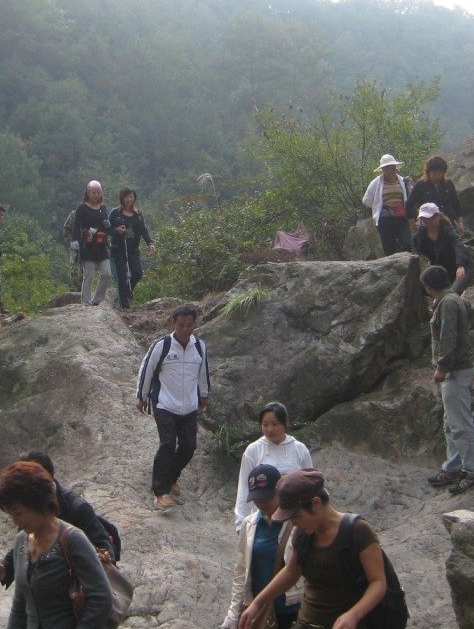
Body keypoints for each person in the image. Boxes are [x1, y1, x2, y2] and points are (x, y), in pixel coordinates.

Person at [238, 469, 387, 629]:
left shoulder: (357, 531)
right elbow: (291, 571)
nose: (294, 523)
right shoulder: (302, 534)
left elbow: (378, 583)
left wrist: (354, 615)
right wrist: (258, 603)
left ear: (315, 503)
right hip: (307, 622)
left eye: (296, 516)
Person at [0, 461, 112, 629]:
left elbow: (102, 599)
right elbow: (20, 605)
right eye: (11, 515)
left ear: (37, 503)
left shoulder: (73, 539)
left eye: (19, 513)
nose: (16, 521)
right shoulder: (22, 541)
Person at [0, 451, 115, 590]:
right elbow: (27, 543)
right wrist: (6, 567)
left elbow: (106, 551)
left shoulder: (77, 509)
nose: (16, 521)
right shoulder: (28, 507)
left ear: (47, 479)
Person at [135, 304, 209, 509]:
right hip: (165, 403)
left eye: (189, 325)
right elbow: (147, 369)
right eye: (181, 325)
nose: (185, 329)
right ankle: (160, 490)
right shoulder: (163, 345)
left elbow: (203, 373)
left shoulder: (200, 347)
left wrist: (204, 396)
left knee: (189, 446)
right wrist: (141, 396)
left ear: (194, 325)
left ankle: (172, 477)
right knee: (167, 444)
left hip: (189, 407)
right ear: (174, 324)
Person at [421, 266, 474, 495]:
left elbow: (447, 336)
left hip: (456, 371)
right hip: (459, 369)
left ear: (429, 286)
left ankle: (471, 472)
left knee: (461, 424)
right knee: (451, 423)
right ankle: (454, 466)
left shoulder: (447, 303)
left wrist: (442, 367)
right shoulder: (453, 299)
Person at [222, 465, 303, 629]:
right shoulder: (249, 524)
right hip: (259, 609)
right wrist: (233, 613)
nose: (261, 503)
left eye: (266, 498)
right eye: (257, 499)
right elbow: (241, 571)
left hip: (294, 609)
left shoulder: (296, 523)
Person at [232, 402, 313, 533]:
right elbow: (244, 488)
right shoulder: (253, 450)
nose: (270, 429)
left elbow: (309, 485)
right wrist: (241, 522)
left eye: (275, 424)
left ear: (285, 422)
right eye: (265, 425)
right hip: (261, 516)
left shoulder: (299, 449)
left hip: (293, 517)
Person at [411, 202, 474, 294]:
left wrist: (460, 265)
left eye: (430, 219)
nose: (428, 223)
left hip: (461, 268)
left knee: (451, 294)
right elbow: (414, 244)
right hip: (442, 270)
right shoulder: (421, 235)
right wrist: (416, 255)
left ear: (437, 217)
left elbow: (458, 244)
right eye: (424, 220)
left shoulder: (447, 230)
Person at [108, 187, 155, 310]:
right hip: (118, 249)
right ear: (122, 198)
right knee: (121, 278)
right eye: (127, 197)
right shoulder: (115, 213)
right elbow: (107, 229)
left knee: (138, 273)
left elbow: (143, 229)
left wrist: (150, 242)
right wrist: (117, 231)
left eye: (131, 196)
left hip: (133, 250)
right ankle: (124, 307)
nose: (129, 199)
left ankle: (127, 292)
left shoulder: (138, 214)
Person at [70, 181, 113, 306]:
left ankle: (97, 300)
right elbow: (76, 225)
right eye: (93, 192)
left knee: (106, 273)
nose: (96, 195)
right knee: (89, 275)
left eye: (98, 192)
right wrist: (75, 240)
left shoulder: (103, 208)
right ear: (88, 193)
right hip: (87, 244)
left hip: (101, 244)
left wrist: (111, 228)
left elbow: (106, 226)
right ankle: (86, 302)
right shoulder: (82, 208)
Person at [362, 154, 414, 257]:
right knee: (389, 247)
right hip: (385, 219)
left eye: (392, 167)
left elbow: (411, 196)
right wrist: (379, 205)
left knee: (408, 244)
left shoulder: (403, 181)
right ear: (383, 170)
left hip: (401, 217)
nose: (390, 170)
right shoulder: (376, 183)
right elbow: (366, 200)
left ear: (395, 168)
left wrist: (409, 185)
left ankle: (410, 267)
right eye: (387, 168)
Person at [405, 155, 465, 237]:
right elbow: (408, 206)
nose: (437, 176)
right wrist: (414, 226)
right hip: (428, 227)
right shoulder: (421, 185)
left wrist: (460, 223)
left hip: (448, 225)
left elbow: (456, 205)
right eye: (434, 172)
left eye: (440, 173)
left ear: (443, 172)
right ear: (428, 172)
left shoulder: (448, 184)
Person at [61, 209, 83, 292]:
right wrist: (71, 240)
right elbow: (66, 229)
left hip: (87, 244)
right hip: (75, 243)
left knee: (85, 267)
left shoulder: (91, 214)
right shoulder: (74, 214)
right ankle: (74, 287)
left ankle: (82, 287)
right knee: (74, 266)